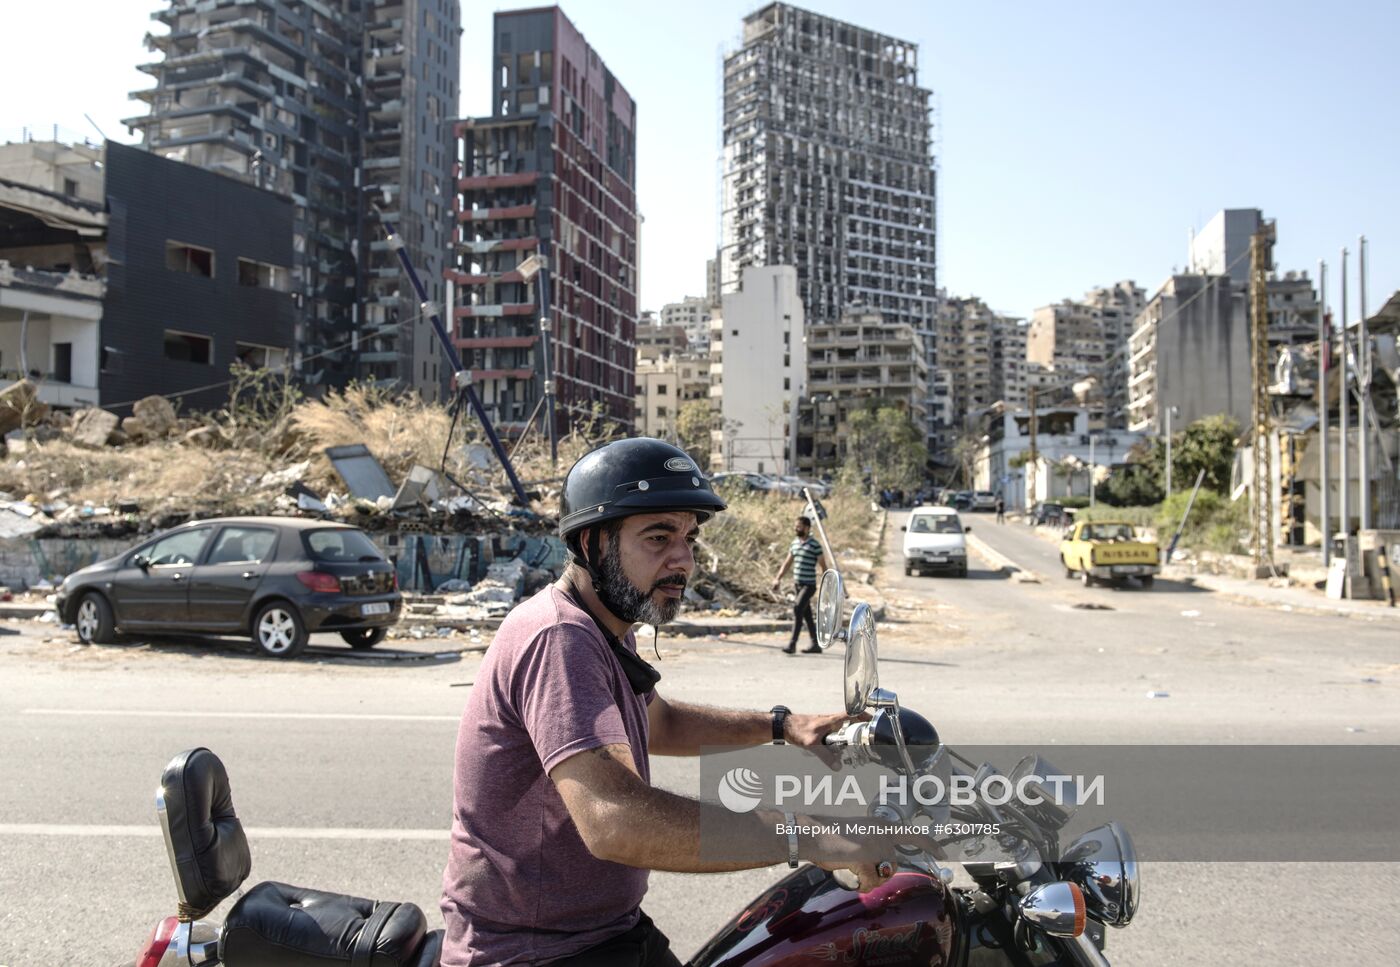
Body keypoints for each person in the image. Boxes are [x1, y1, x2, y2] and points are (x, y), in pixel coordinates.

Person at [440, 438, 881, 967]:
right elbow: (614, 819)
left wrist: (784, 726)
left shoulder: (607, 627)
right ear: (591, 543)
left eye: (689, 537)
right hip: (535, 952)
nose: (683, 560)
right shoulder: (559, 638)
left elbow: (659, 723)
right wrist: (813, 835)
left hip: (603, 931)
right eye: (658, 537)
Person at [770, 514, 827, 655]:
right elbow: (787, 563)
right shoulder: (794, 543)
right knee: (806, 614)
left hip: (809, 585)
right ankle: (815, 644)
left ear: (807, 528)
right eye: (795, 527)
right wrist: (778, 578)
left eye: (799, 527)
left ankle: (792, 644)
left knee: (797, 608)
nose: (796, 529)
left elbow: (823, 566)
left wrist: (827, 587)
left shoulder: (815, 545)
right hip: (798, 585)